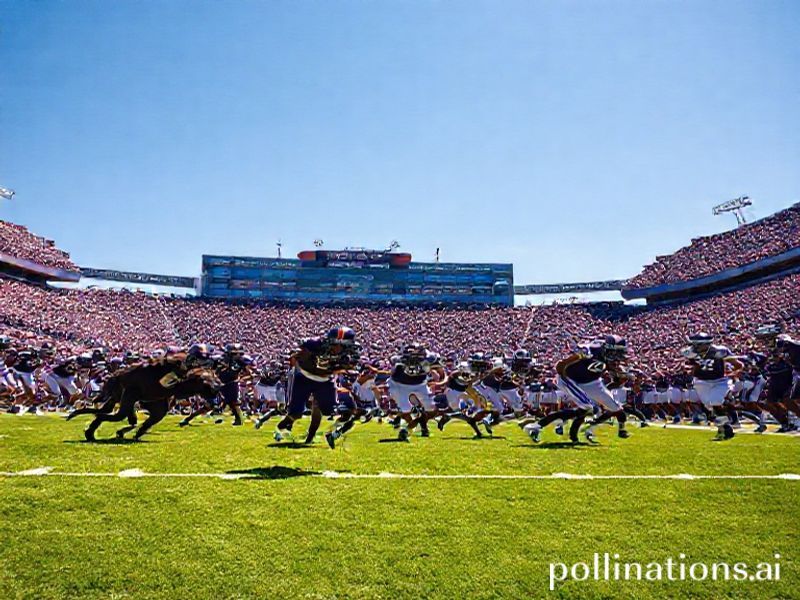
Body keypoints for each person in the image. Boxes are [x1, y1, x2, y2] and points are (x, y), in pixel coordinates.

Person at [274, 327, 361, 443]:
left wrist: (339, 367)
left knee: (329, 410)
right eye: (334, 344)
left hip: (325, 380)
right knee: (296, 413)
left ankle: (317, 435)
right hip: (304, 376)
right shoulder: (314, 344)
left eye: (342, 345)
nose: (338, 348)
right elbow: (296, 356)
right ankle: (280, 429)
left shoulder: (351, 354)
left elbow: (348, 367)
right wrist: (304, 359)